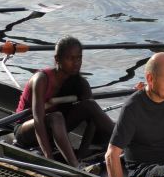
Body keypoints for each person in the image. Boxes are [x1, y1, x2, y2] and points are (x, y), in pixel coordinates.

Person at [13, 36, 114, 168]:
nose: (76, 62)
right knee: (56, 117)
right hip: (26, 132)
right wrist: (48, 158)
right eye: (70, 58)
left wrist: (82, 154)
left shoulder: (80, 83)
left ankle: (129, 144)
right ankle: (75, 166)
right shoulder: (41, 79)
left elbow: (93, 121)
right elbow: (38, 120)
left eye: (79, 58)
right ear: (57, 59)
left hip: (55, 129)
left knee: (91, 105)